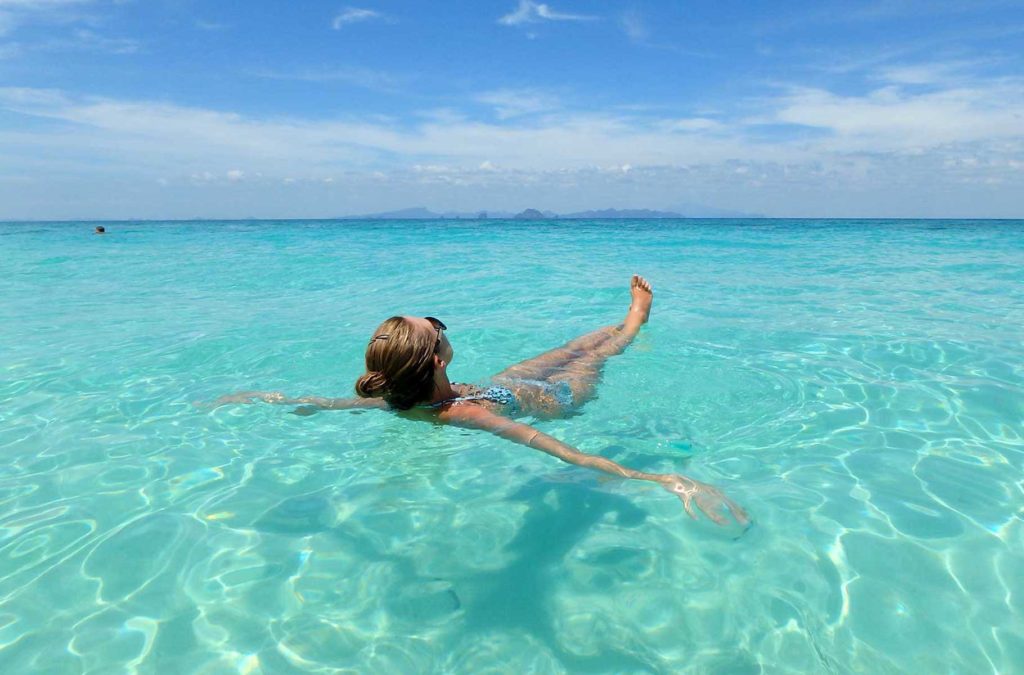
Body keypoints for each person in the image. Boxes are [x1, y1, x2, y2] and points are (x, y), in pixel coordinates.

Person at [214, 276, 748, 526]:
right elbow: (569, 455)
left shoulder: (398, 399)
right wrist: (667, 480)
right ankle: (635, 319)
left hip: (497, 383)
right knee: (599, 356)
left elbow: (327, 403)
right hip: (550, 400)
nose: (445, 329)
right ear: (439, 358)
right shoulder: (465, 414)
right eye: (439, 328)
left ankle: (621, 320)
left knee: (573, 345)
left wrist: (268, 398)